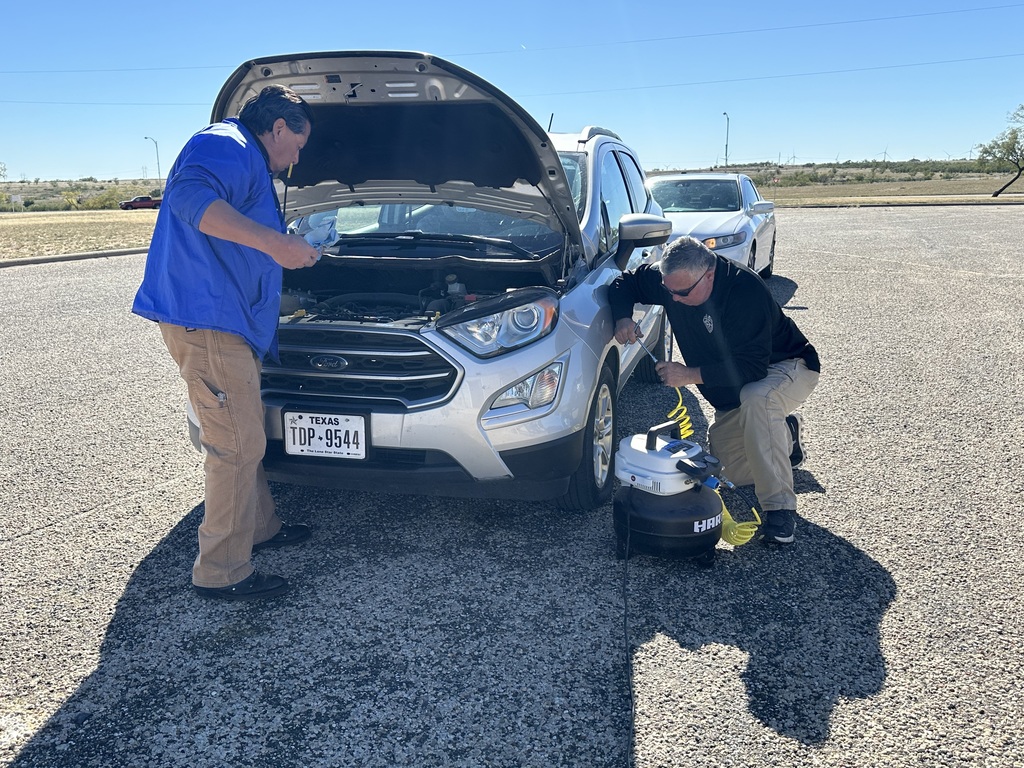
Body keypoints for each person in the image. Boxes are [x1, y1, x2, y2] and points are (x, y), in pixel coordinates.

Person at [132, 85, 322, 599]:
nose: (297, 158)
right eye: (298, 145)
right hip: (210, 321)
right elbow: (190, 199)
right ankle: (221, 572)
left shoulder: (243, 154)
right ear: (278, 128)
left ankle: (260, 529)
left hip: (224, 321)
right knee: (234, 446)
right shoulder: (227, 143)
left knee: (244, 433)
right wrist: (277, 244)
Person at [609, 236, 820, 544]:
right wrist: (623, 316)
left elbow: (752, 368)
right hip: (737, 388)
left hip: (787, 366)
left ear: (708, 274)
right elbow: (624, 283)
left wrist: (688, 375)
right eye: (668, 291)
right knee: (731, 473)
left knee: (757, 398)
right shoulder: (674, 279)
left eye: (681, 292)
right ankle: (785, 437)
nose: (674, 299)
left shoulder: (744, 291)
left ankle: (779, 510)